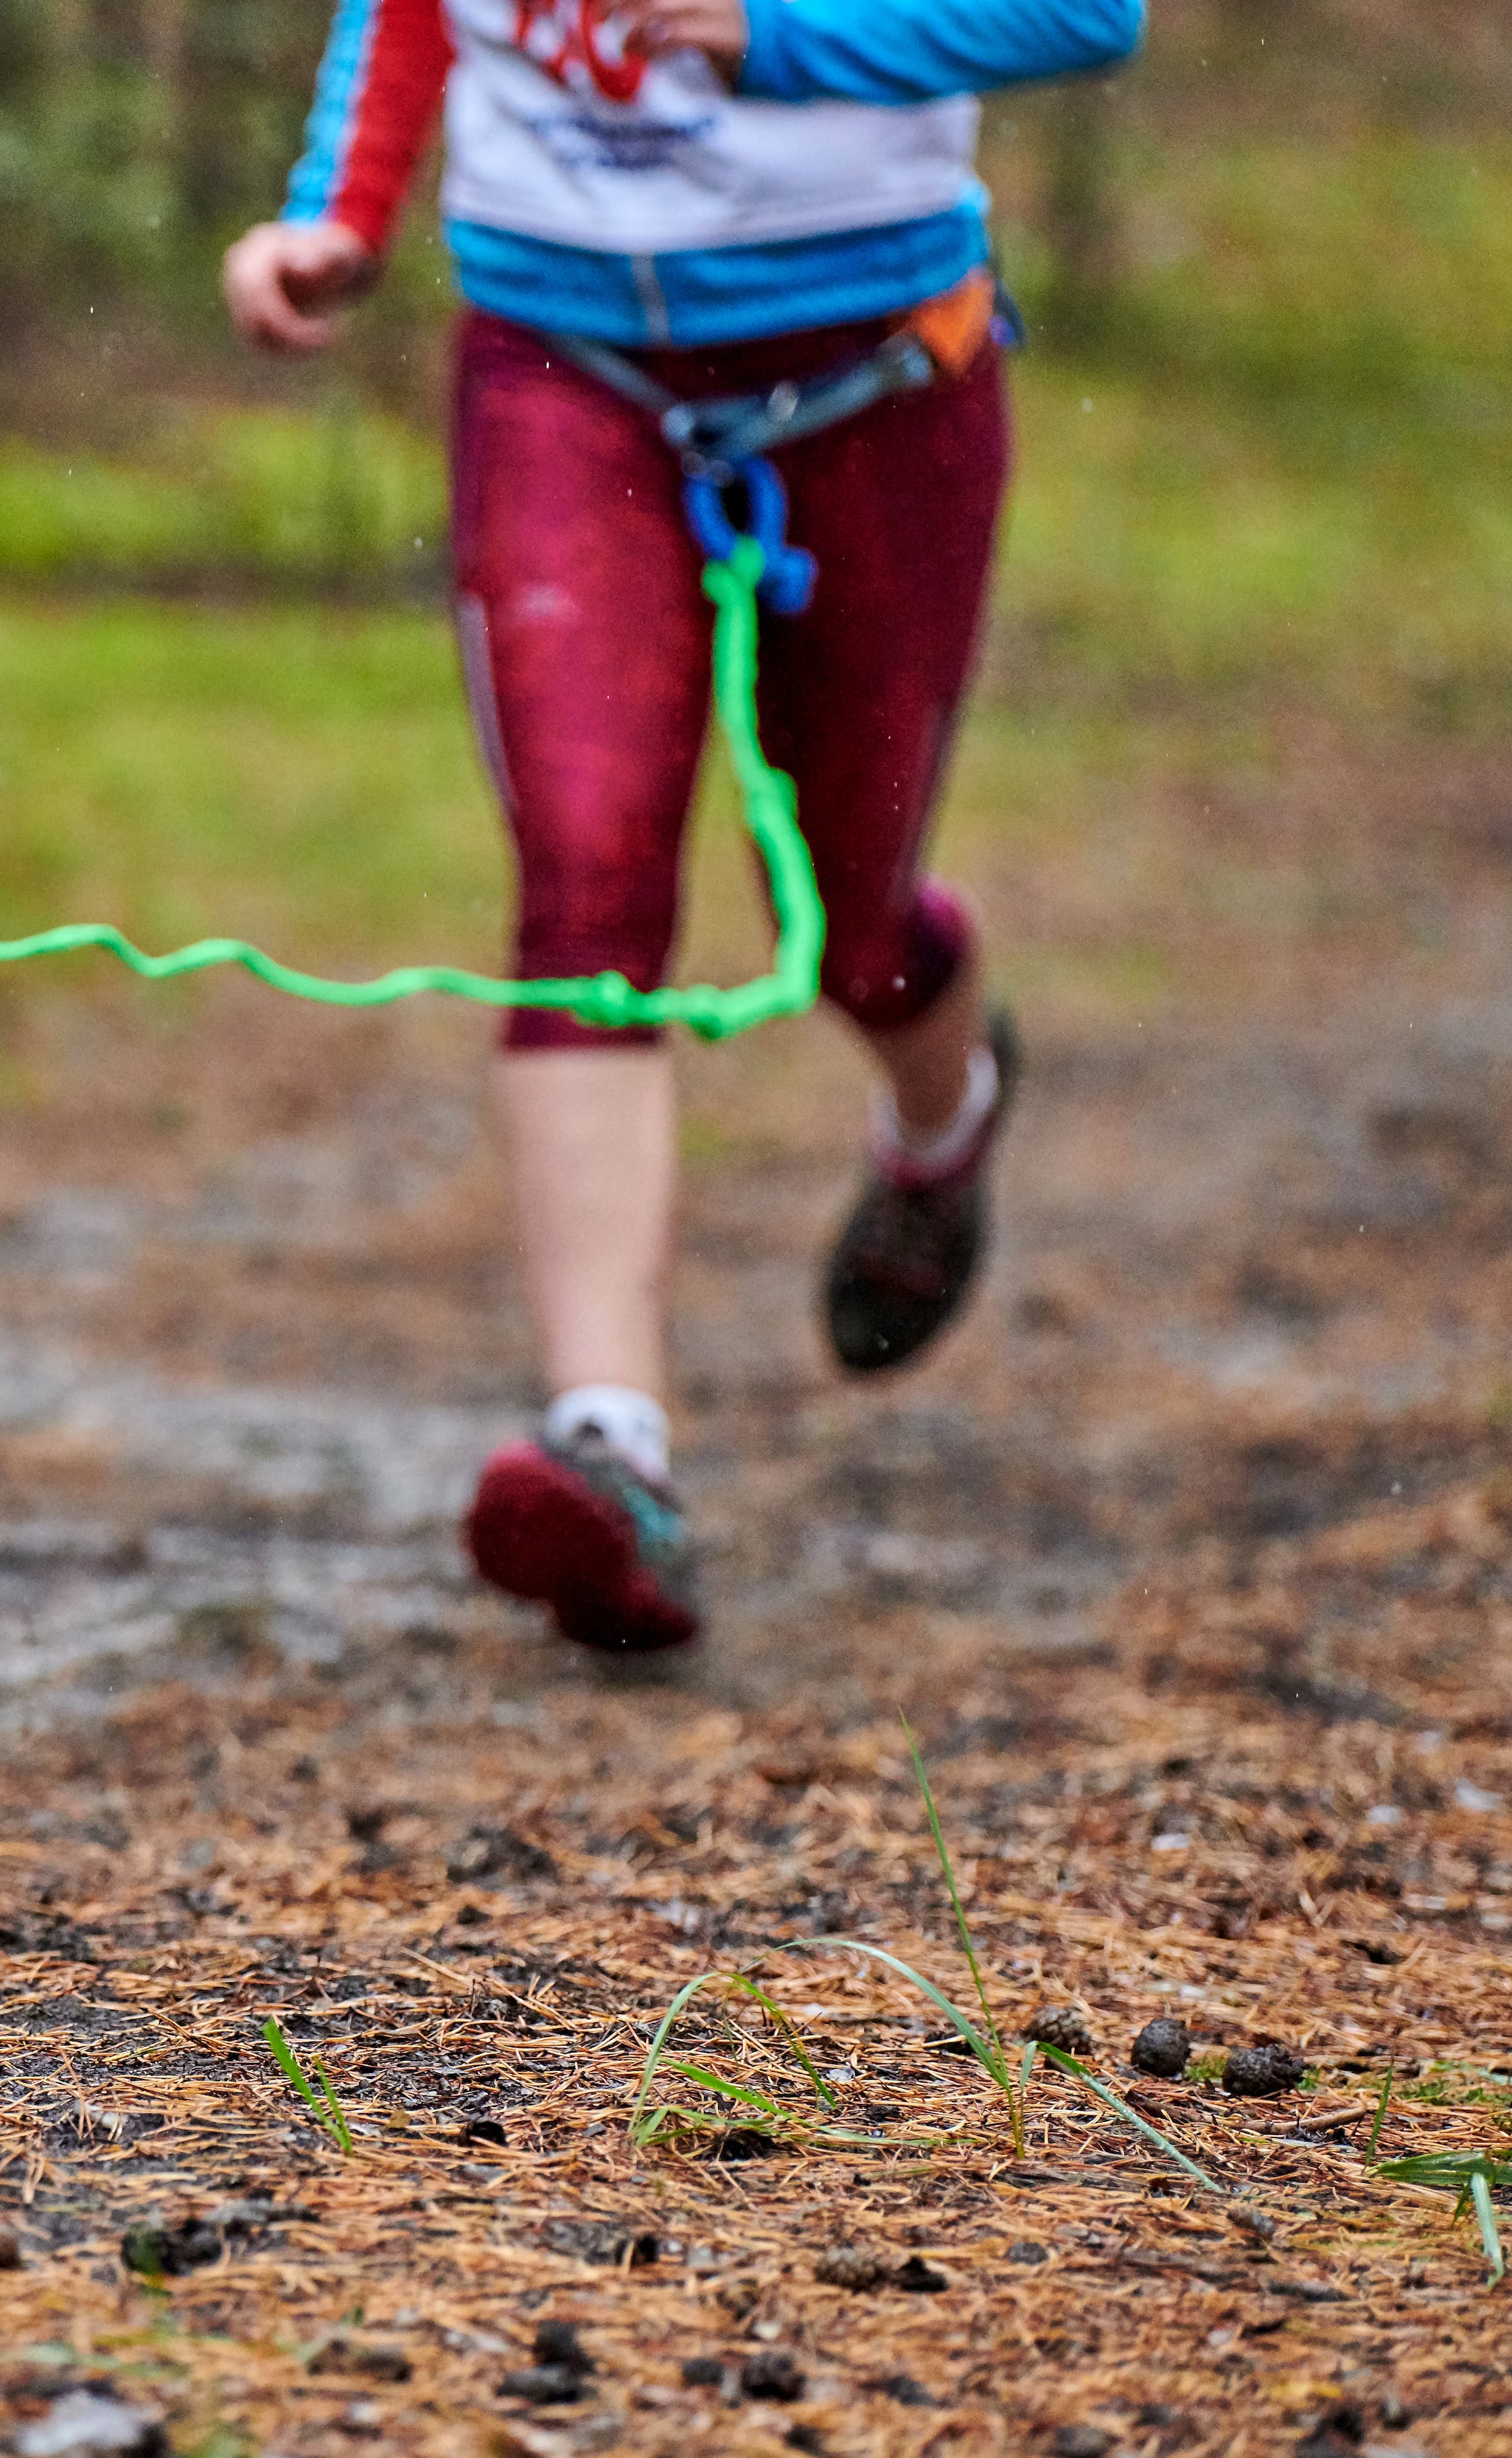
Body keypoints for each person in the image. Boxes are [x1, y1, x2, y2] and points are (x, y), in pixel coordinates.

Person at [223, 0, 1143, 1650]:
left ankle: (943, 1124)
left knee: (854, 934)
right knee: (583, 883)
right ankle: (611, 1447)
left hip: (876, 364)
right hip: (558, 363)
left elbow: (1087, 13)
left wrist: (769, 32)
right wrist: (339, 212)